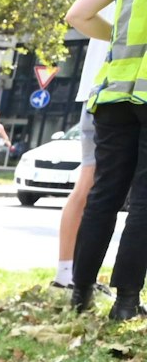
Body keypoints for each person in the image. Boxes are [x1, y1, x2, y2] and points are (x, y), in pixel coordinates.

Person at [68, 0, 147, 320]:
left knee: (104, 195)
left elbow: (78, 15)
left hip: (114, 93)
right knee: (145, 200)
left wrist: (118, 34)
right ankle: (126, 303)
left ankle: (80, 292)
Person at [57, 34, 111, 289]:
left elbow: (78, 14)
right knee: (92, 187)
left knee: (87, 184)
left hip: (97, 92)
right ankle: (74, 276)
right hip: (115, 94)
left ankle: (67, 272)